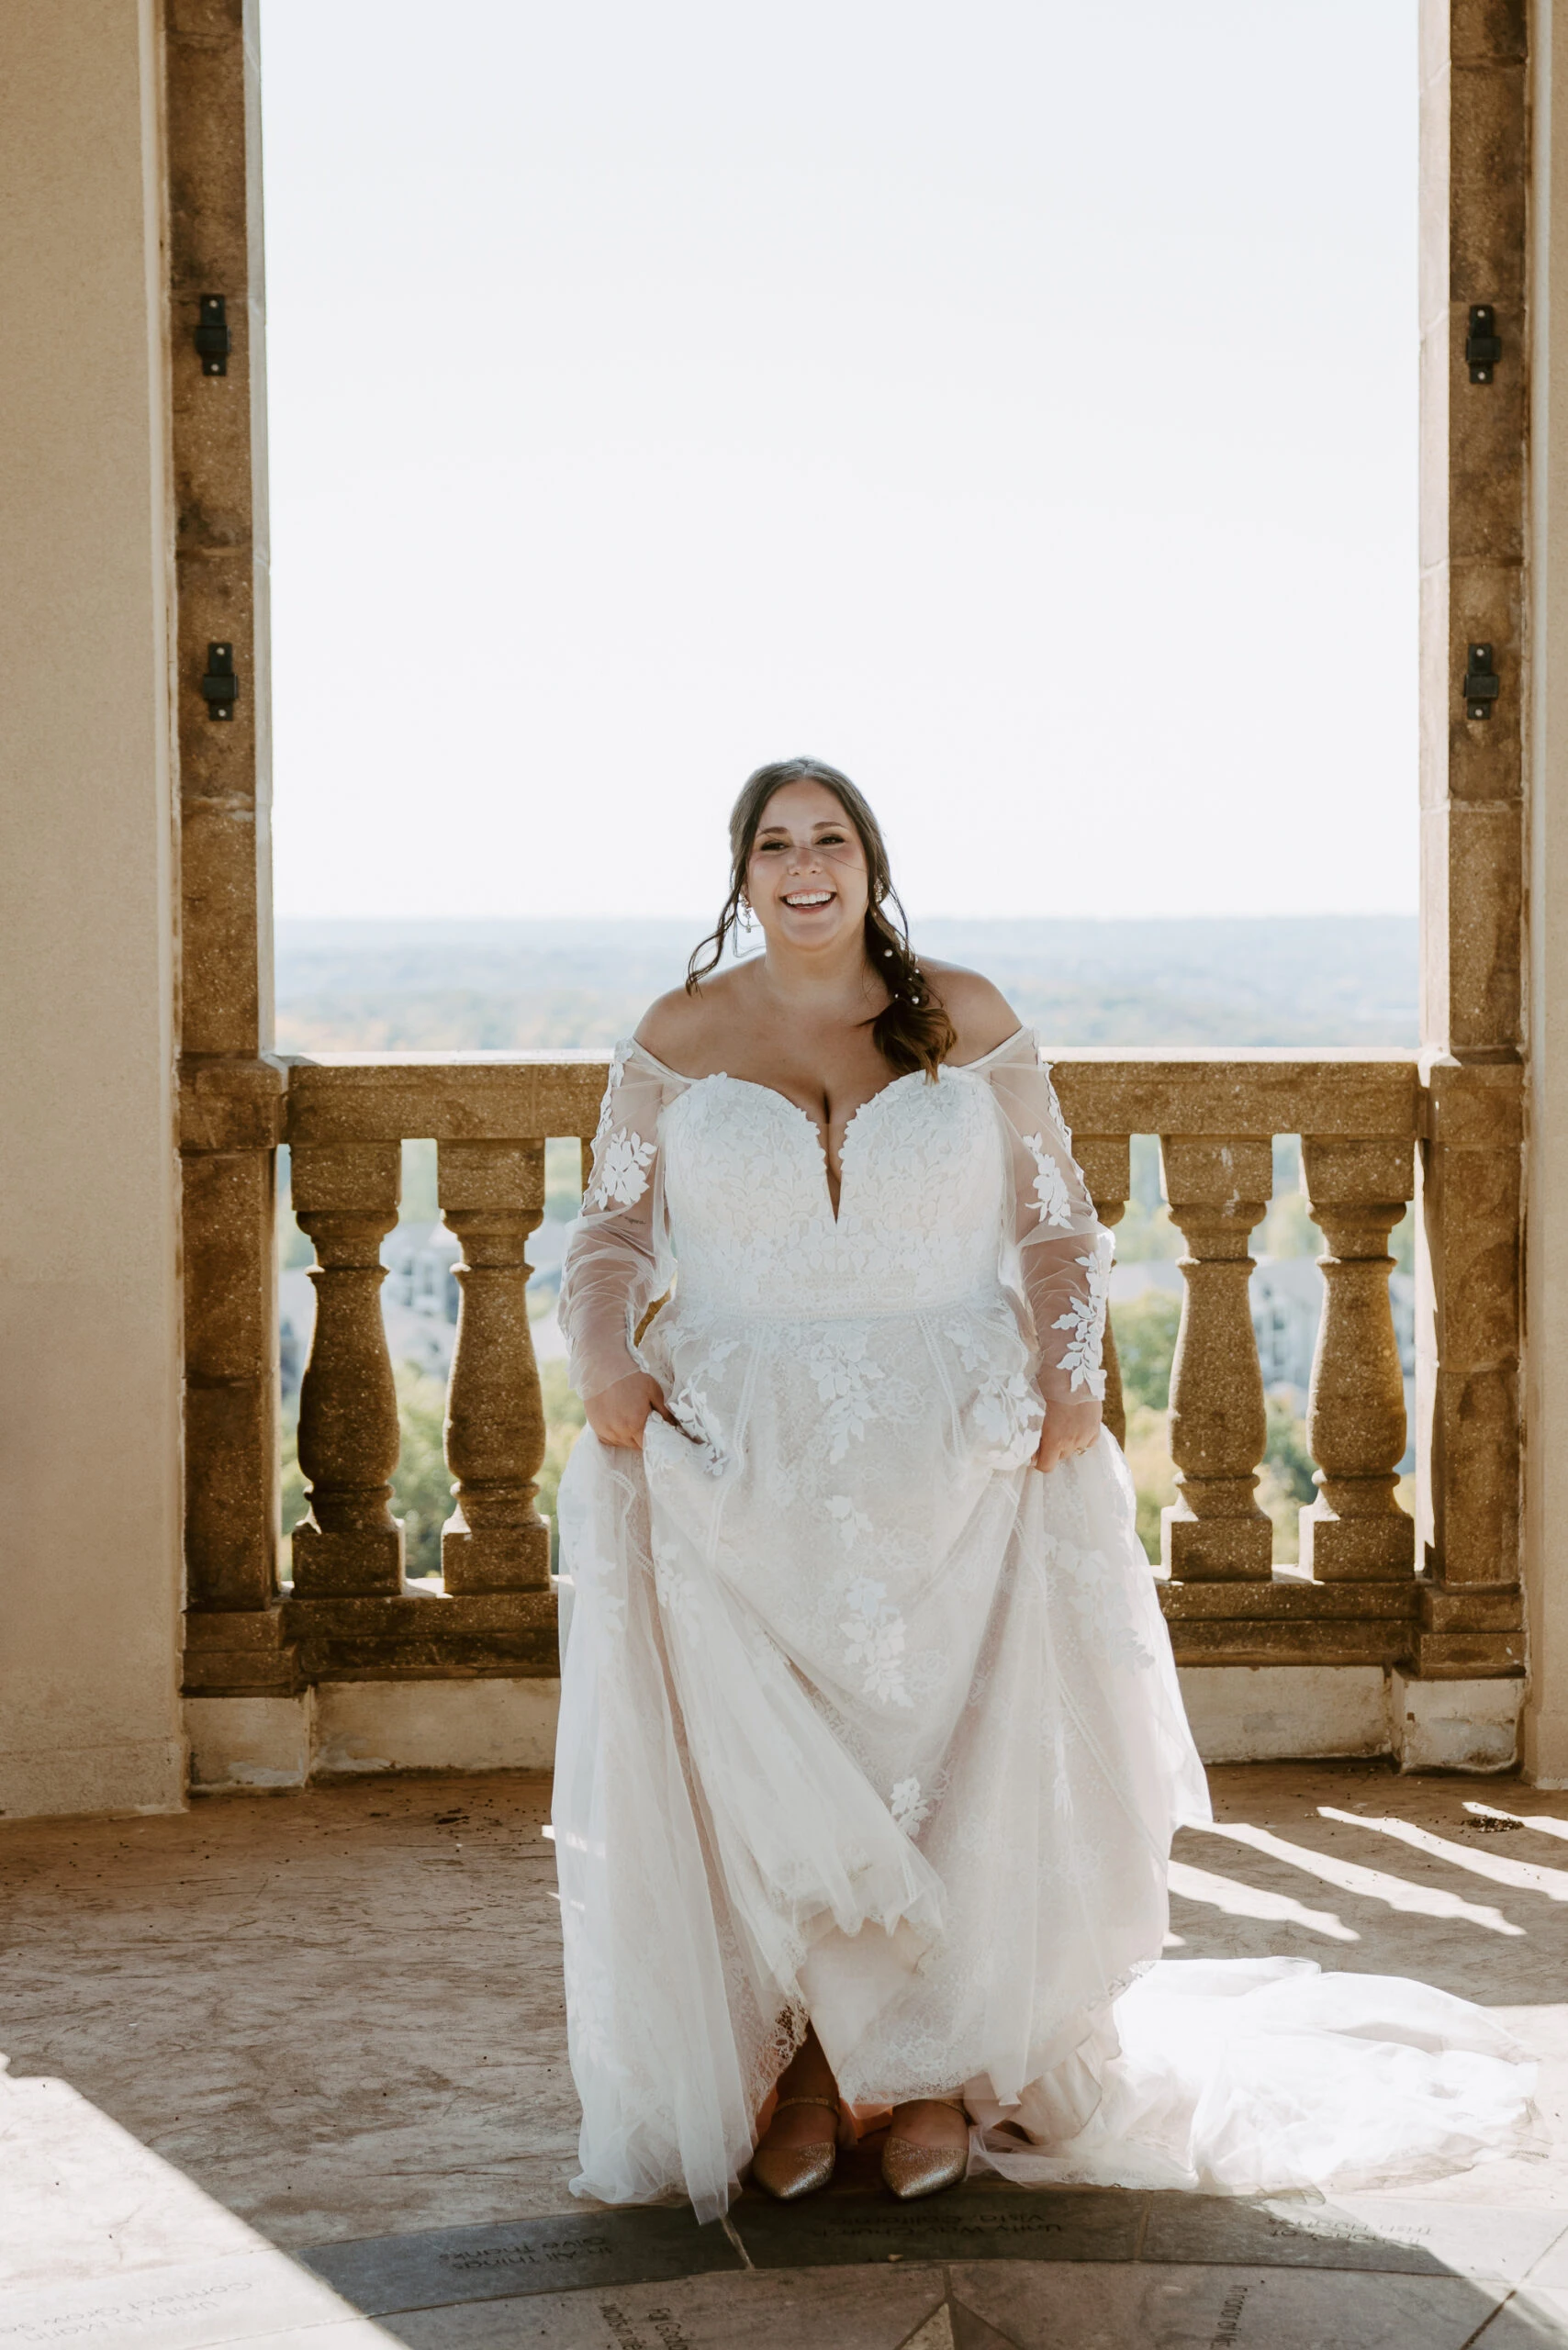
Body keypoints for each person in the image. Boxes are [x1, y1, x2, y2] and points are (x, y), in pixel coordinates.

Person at [552, 756, 1534, 2222]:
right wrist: (604, 1362)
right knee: (774, 1778)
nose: (804, 866)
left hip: (960, 1449)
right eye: (775, 844)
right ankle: (813, 2069)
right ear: (742, 874)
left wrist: (1074, 1374)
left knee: (957, 1757)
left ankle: (944, 2069)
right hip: (740, 1464)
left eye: (830, 840)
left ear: (871, 863)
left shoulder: (968, 1013)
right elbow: (610, 1233)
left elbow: (1060, 1224)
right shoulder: (678, 1034)